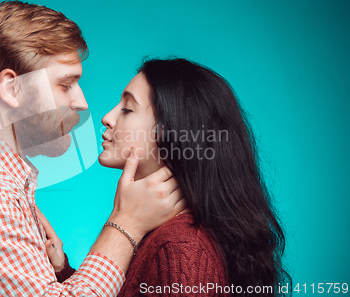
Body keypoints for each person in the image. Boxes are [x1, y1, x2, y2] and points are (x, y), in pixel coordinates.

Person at [0, 1, 185, 296]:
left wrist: (59, 272)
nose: (82, 103)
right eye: (65, 85)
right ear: (12, 89)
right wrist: (126, 223)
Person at [47, 57, 291, 296]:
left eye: (127, 109)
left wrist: (124, 222)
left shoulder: (181, 247)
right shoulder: (162, 233)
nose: (107, 118)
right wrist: (63, 271)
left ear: (173, 133)